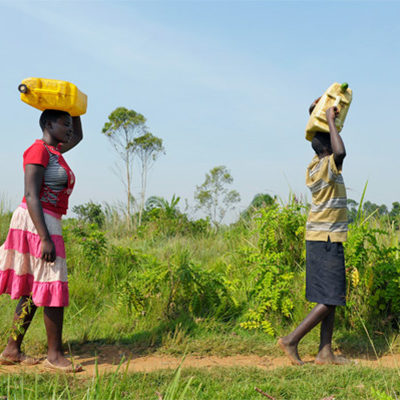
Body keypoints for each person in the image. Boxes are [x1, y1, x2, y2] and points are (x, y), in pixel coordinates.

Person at [0, 109, 83, 372]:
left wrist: (75, 108)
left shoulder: (55, 151)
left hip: (48, 220)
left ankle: (12, 350)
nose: (69, 128)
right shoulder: (38, 151)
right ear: (48, 124)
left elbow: (78, 136)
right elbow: (31, 194)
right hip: (38, 222)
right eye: (64, 123)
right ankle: (54, 355)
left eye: (70, 124)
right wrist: (45, 238)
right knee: (52, 284)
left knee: (34, 289)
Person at [278, 100, 348, 365]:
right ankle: (291, 340)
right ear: (329, 148)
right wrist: (330, 122)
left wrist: (315, 114)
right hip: (327, 238)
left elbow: (322, 142)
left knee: (326, 295)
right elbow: (340, 152)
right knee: (331, 299)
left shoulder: (313, 166)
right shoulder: (330, 166)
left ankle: (325, 352)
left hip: (320, 238)